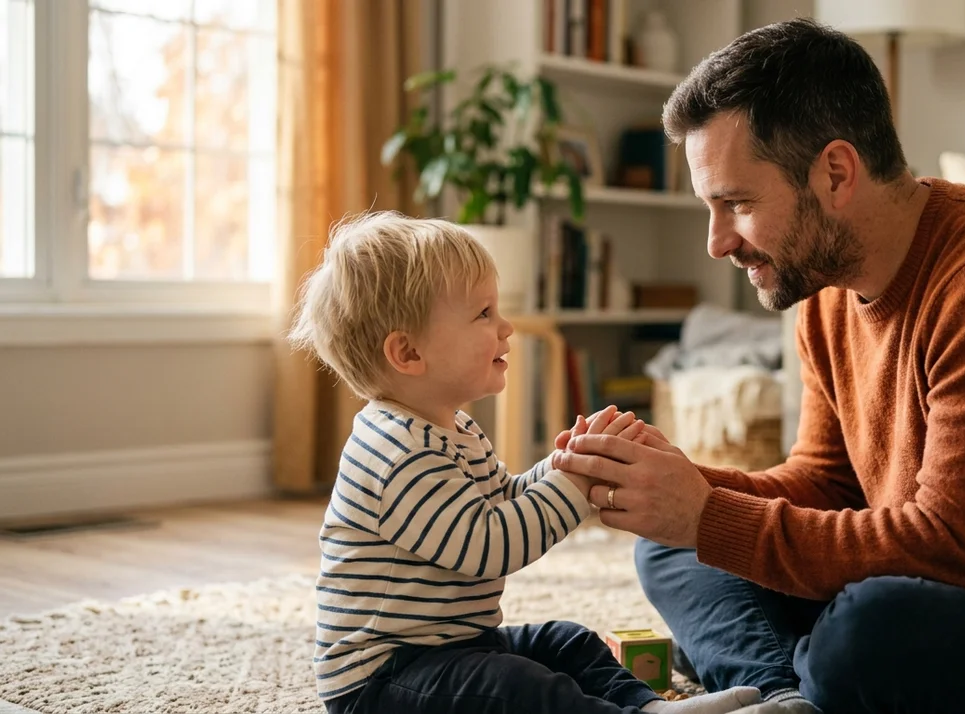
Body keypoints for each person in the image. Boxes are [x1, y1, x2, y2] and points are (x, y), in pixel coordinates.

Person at [551, 17, 965, 714]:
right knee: (672, 549)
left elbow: (959, 550)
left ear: (836, 172)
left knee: (866, 630)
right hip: (945, 593)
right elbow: (826, 481)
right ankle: (785, 696)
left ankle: (776, 667)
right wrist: (676, 489)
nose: (718, 243)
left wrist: (708, 514)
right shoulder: (821, 286)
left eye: (738, 204)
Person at [287, 212, 762, 714]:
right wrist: (572, 484)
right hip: (383, 682)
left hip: (453, 648)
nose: (507, 327)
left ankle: (646, 706)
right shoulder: (394, 453)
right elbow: (489, 546)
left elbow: (502, 499)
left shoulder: (453, 429)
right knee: (509, 686)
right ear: (408, 352)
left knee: (566, 641)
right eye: (484, 314)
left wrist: (566, 462)